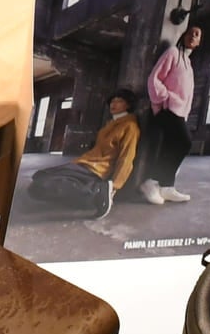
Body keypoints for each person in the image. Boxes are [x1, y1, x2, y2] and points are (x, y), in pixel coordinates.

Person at [141, 23, 202, 205]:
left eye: (197, 35)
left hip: (179, 112)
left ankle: (166, 187)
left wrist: (184, 112)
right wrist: (166, 97)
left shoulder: (188, 63)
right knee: (185, 142)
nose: (193, 36)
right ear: (183, 35)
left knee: (170, 147)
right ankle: (151, 181)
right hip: (167, 109)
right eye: (190, 32)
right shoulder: (173, 53)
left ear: (199, 42)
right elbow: (154, 78)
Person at [73, 90, 143, 216]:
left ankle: (99, 193)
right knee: (42, 179)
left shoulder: (130, 126)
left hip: (97, 170)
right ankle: (94, 192)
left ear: (128, 105)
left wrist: (114, 186)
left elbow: (126, 158)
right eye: (112, 101)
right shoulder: (110, 124)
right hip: (85, 164)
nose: (113, 104)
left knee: (44, 182)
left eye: (119, 101)